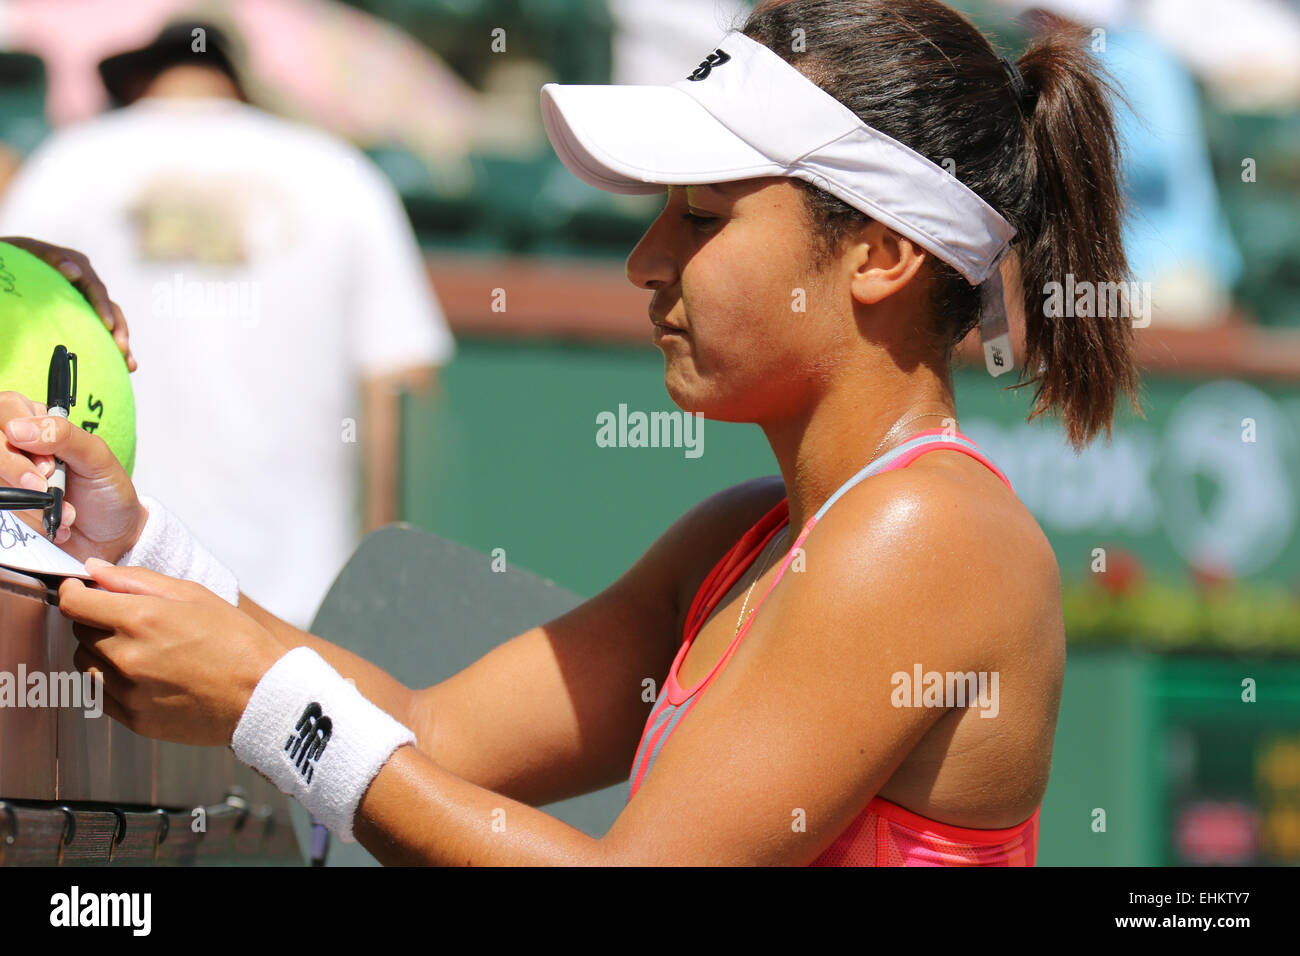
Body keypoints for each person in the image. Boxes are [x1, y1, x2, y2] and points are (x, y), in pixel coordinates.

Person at [0, 0, 1139, 865]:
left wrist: (264, 700)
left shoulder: (924, 535)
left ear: (881, 253)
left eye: (699, 214)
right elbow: (429, 729)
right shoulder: (741, 534)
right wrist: (139, 545)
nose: (646, 260)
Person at [0, 21, 455, 629]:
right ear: (240, 83)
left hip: (102, 574)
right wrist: (384, 594)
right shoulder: (342, 175)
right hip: (294, 601)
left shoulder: (67, 163)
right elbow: (401, 389)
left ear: (137, 82)